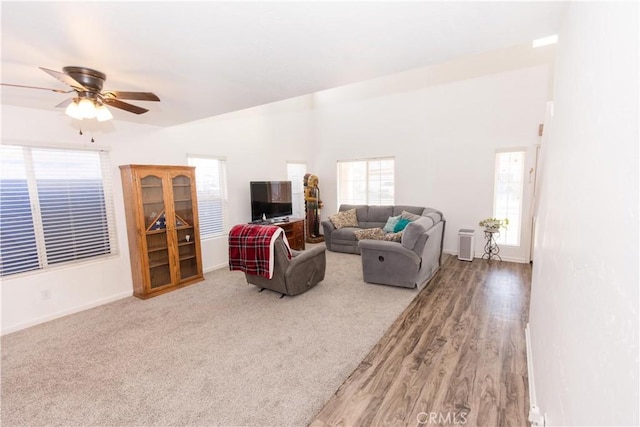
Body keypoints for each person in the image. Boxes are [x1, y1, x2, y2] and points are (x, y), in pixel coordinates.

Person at [304, 173, 323, 239]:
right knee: (311, 220)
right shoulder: (308, 189)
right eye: (315, 181)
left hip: (317, 207)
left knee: (317, 220)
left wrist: (320, 202)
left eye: (317, 181)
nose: (316, 182)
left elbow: (318, 197)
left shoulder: (317, 188)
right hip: (311, 206)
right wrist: (315, 199)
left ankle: (316, 232)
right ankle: (310, 233)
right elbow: (307, 198)